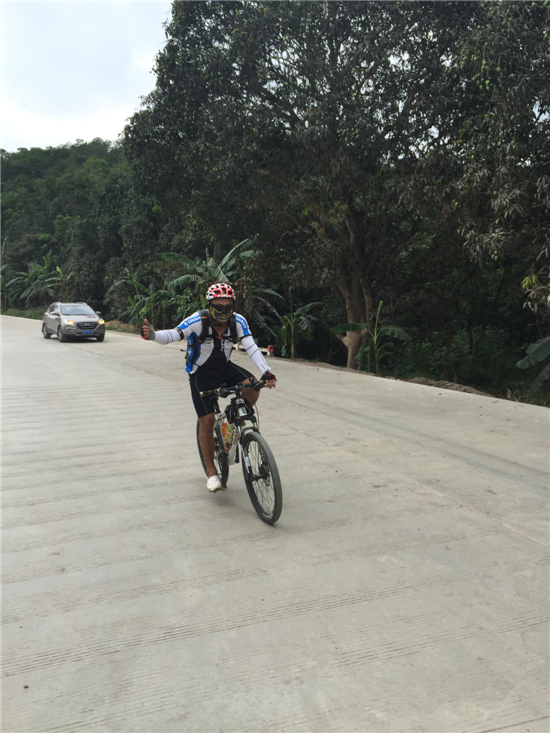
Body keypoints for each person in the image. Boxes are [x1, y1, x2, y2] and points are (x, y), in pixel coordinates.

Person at [141, 282, 276, 492]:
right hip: (200, 375)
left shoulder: (238, 321)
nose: (223, 311)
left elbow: (250, 346)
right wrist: (153, 335)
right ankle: (212, 472)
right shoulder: (197, 321)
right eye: (218, 307)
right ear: (210, 305)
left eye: (227, 307)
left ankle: (234, 413)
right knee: (207, 420)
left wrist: (266, 371)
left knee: (253, 386)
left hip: (224, 368)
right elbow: (173, 335)